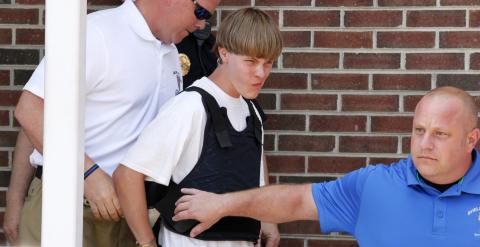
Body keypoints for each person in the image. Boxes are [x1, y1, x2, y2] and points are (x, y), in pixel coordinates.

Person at [12, 0, 219, 246]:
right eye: (200, 12)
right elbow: (30, 109)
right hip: (68, 207)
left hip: (129, 216)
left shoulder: (170, 52)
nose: (202, 24)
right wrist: (87, 173)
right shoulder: (98, 34)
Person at [172, 86, 480, 247]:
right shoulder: (374, 187)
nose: (425, 143)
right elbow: (296, 200)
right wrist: (221, 204)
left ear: (471, 140)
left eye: (440, 134)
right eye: (418, 130)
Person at [113, 7, 283, 247]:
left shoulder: (251, 110)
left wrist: (266, 219)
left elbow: (253, 167)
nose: (260, 73)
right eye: (251, 62)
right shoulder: (190, 106)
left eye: (268, 64)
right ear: (224, 54)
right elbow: (127, 175)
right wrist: (147, 243)